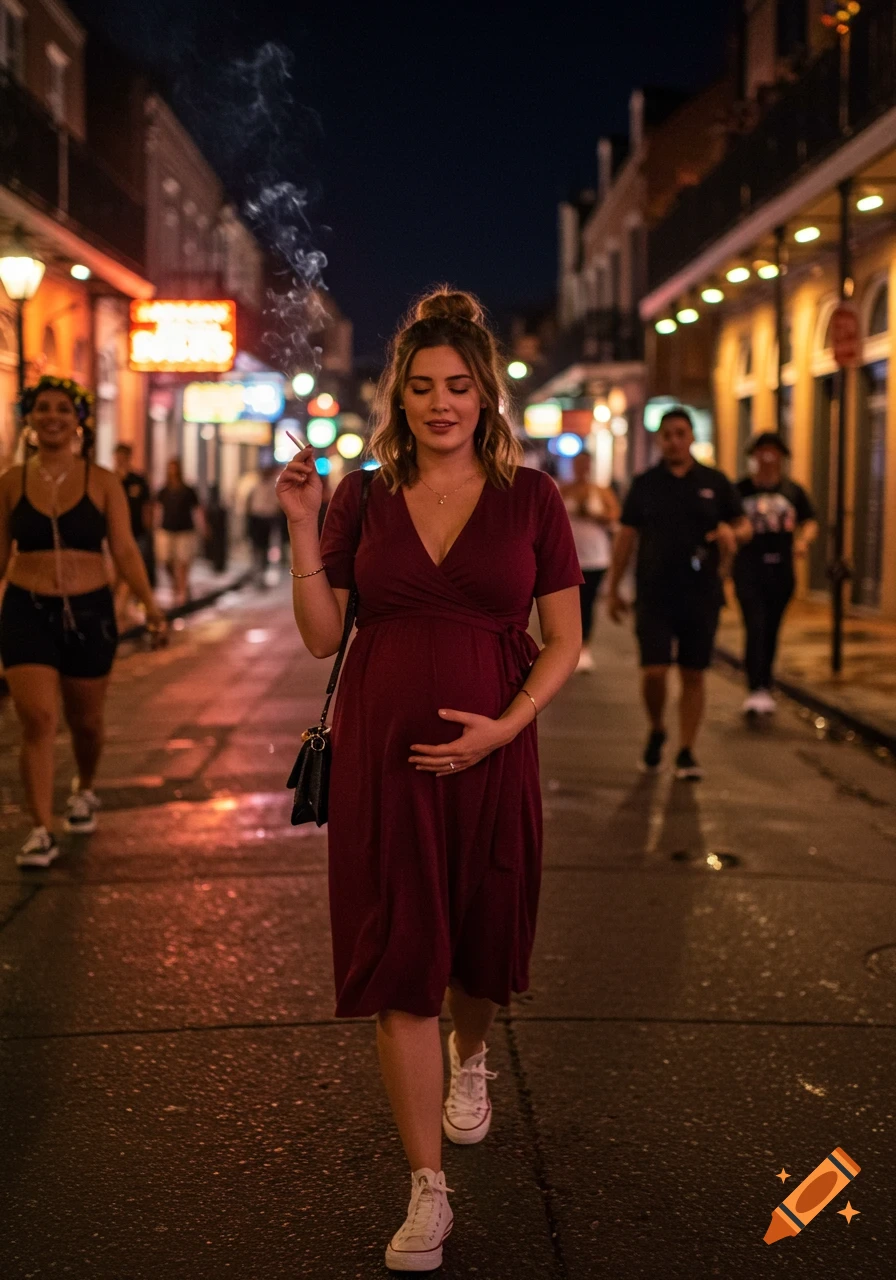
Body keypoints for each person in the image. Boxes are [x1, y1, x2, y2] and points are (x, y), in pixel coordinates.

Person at [277, 288, 582, 1272]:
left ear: (485, 394)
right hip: (381, 758)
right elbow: (325, 632)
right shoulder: (359, 497)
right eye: (421, 387)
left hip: (496, 754)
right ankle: (425, 1185)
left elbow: (564, 640)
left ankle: (474, 1049)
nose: (440, 402)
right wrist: (296, 524)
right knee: (399, 950)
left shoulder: (531, 497)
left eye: (457, 385)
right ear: (396, 397)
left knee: (481, 939)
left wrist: (502, 725)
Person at [0, 376, 167, 867]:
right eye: (42, 408)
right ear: (29, 419)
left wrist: (151, 607)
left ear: (78, 421)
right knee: (37, 719)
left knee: (86, 722)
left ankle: (85, 787)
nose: (52, 416)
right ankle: (39, 828)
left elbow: (124, 550)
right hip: (26, 610)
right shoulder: (10, 484)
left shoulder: (102, 480)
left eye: (63, 409)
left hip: (90, 612)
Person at [606, 407, 751, 779]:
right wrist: (613, 588)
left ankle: (686, 750)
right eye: (667, 434)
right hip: (654, 594)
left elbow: (742, 523)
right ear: (659, 440)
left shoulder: (715, 482)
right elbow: (626, 536)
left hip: (701, 593)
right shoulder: (645, 483)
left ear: (691, 438)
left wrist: (734, 534)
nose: (674, 440)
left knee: (693, 673)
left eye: (680, 433)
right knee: (654, 672)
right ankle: (657, 729)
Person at [734, 432, 817, 714]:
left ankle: (765, 682)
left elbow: (809, 521)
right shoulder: (741, 490)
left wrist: (803, 541)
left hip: (781, 570)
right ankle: (755, 685)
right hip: (748, 569)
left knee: (771, 628)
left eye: (773, 452)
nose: (768, 457)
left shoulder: (793, 491)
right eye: (762, 451)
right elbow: (726, 521)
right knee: (754, 625)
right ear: (754, 455)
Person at [558, 450, 620, 671]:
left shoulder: (601, 491)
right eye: (578, 464)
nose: (581, 468)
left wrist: (592, 515)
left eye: (585, 463)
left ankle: (584, 648)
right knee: (566, 604)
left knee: (587, 603)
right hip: (568, 557)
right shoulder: (564, 490)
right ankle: (564, 648)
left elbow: (614, 517)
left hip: (595, 557)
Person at [155, 458, 205, 606]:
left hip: (185, 530)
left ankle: (182, 592)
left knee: (183, 561)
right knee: (166, 561)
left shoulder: (188, 490)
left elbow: (197, 509)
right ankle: (177, 585)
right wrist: (155, 526)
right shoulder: (163, 490)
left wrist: (203, 527)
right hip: (167, 529)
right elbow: (158, 509)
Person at [112, 442, 153, 621]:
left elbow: (147, 505)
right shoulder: (110, 479)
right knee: (116, 574)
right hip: (113, 534)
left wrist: (148, 525)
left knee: (131, 570)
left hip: (136, 532)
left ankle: (121, 609)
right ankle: (119, 608)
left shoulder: (139, 480)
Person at [245, 463, 282, 585]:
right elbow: (250, 501)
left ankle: (262, 569)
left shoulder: (273, 486)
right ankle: (257, 568)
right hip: (256, 517)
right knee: (256, 544)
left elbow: (277, 503)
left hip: (267, 518)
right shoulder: (255, 484)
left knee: (265, 545)